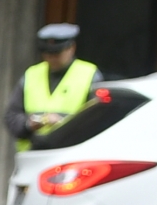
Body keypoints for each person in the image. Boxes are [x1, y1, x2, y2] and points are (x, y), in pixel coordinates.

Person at [7, 22, 101, 150]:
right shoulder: (32, 74)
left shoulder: (89, 74)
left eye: (56, 53)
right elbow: (11, 116)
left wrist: (63, 123)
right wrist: (29, 124)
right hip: (31, 156)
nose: (51, 58)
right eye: (47, 53)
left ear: (71, 48)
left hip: (68, 155)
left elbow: (97, 120)